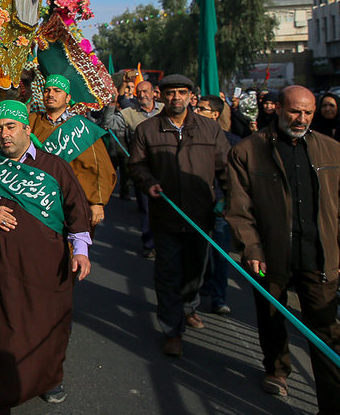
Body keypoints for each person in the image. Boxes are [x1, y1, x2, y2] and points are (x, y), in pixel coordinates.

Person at [0, 100, 91, 411]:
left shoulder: (54, 166)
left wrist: (81, 252)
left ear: (26, 130)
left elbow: (77, 210)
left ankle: (48, 379)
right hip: (0, 271)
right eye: (0, 128)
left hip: (47, 269)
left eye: (11, 127)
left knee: (48, 325)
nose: (4, 134)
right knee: (0, 329)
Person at [226, 85, 340, 411]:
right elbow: (239, 209)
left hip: (319, 255)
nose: (301, 119)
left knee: (326, 331)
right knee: (272, 315)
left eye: (308, 113)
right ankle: (277, 369)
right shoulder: (248, 151)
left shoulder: (332, 151)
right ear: (278, 109)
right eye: (294, 111)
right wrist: (252, 248)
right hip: (272, 254)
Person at [128, 74, 230, 358]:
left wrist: (226, 202)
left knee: (195, 269)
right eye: (171, 93)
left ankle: (189, 307)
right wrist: (149, 183)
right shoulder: (147, 130)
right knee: (168, 272)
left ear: (190, 97)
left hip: (201, 215)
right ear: (161, 95)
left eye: (182, 93)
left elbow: (226, 169)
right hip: (165, 215)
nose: (176, 98)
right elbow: (136, 165)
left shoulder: (210, 129)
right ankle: (172, 330)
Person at [29, 74, 115, 232]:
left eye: (57, 91)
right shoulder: (31, 121)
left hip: (73, 202)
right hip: (37, 200)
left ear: (68, 97)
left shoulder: (82, 128)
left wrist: (97, 202)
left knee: (72, 252)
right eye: (47, 90)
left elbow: (99, 166)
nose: (51, 94)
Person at [105, 79, 163, 257]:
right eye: (139, 92)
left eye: (146, 91)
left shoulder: (164, 110)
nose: (142, 95)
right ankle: (149, 244)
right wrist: (112, 103)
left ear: (154, 93)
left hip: (166, 167)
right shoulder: (130, 113)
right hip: (142, 168)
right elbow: (109, 124)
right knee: (146, 206)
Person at [195, 95, 241, 315]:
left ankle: (219, 297)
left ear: (214, 114)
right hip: (197, 204)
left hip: (222, 207)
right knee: (197, 252)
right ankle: (196, 294)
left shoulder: (232, 142)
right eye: (196, 108)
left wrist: (229, 201)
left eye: (202, 109)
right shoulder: (188, 138)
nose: (196, 112)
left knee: (221, 254)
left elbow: (237, 178)